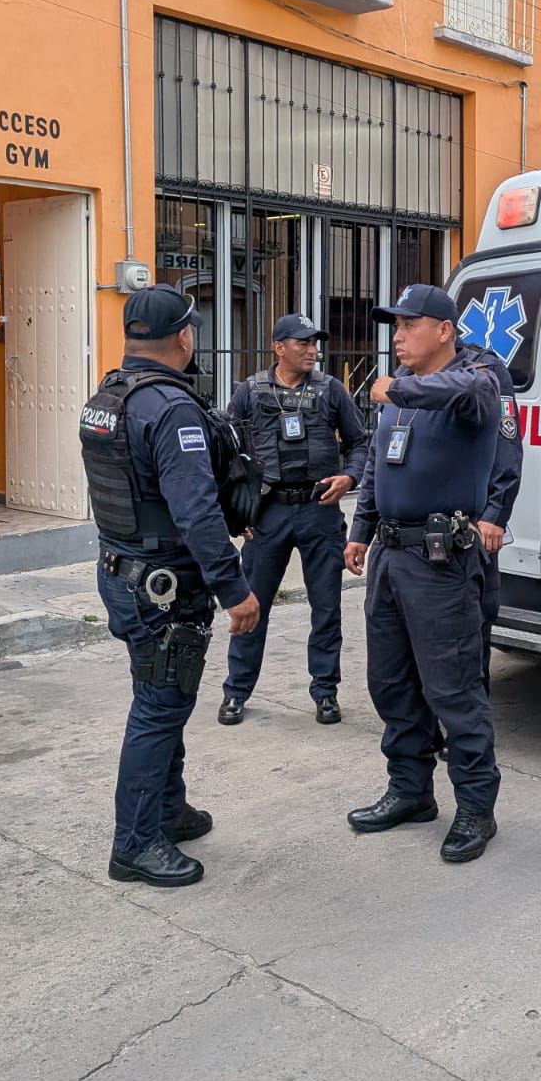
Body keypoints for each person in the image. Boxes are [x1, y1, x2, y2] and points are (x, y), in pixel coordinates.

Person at [80, 285, 260, 890]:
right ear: (184, 337)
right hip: (161, 584)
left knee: (164, 695)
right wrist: (234, 588)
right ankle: (135, 845)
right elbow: (197, 511)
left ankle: (167, 808)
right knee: (159, 707)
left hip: (121, 570)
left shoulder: (108, 396)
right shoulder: (170, 407)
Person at [344, 284, 503, 865]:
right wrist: (360, 529)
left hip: (442, 564)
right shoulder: (400, 394)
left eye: (410, 325)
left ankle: (476, 808)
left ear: (444, 331)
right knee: (391, 683)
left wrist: (398, 387)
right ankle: (411, 791)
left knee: (453, 690)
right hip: (391, 557)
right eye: (396, 326)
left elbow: (470, 391)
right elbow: (377, 466)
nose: (398, 336)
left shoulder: (474, 383)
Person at [218, 314, 368, 728]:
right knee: (251, 605)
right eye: (303, 343)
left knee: (327, 608)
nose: (312, 350)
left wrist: (349, 477)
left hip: (320, 510)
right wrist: (236, 513)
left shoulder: (331, 390)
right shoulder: (250, 392)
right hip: (269, 513)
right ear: (279, 347)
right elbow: (228, 455)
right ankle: (236, 691)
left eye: (315, 343)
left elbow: (360, 443)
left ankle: (325, 691)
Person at [455, 334, 522, 693]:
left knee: (474, 619)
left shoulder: (484, 367)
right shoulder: (408, 374)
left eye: (409, 325)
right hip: (421, 526)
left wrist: (496, 512)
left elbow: (506, 445)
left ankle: (469, 711)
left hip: (471, 522)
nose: (400, 336)